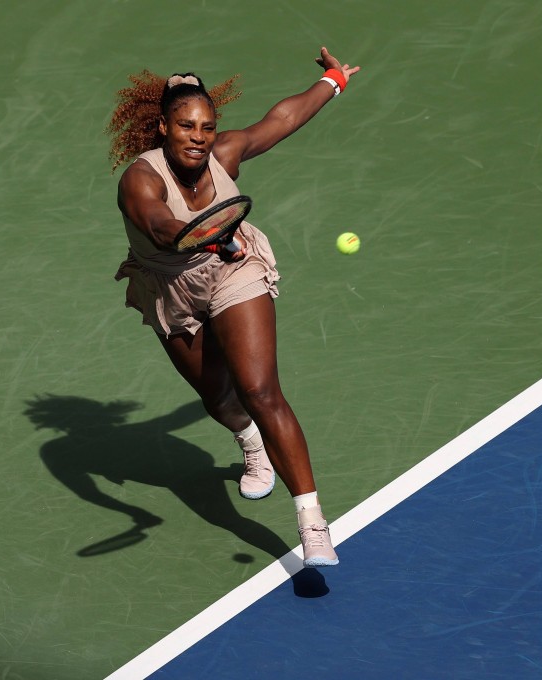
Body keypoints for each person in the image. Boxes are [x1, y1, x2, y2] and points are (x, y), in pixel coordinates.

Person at [107, 47, 360, 567]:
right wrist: (205, 235)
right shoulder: (140, 179)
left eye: (206, 126)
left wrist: (334, 79)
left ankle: (312, 523)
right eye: (185, 127)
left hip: (233, 269)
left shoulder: (224, 154)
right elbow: (160, 225)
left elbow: (282, 119)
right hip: (170, 284)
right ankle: (250, 442)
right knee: (217, 396)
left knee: (261, 390)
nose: (198, 137)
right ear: (162, 127)